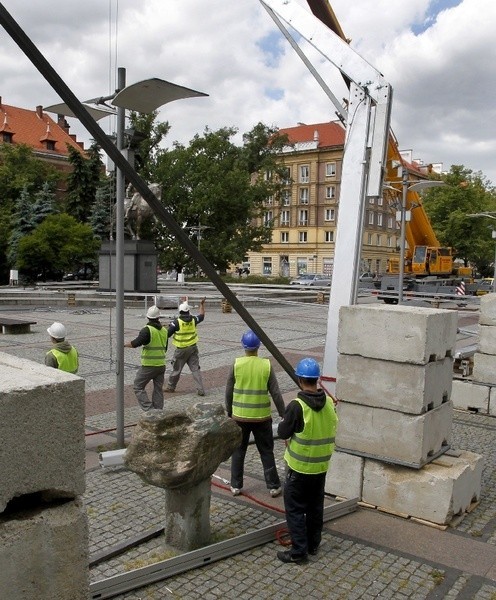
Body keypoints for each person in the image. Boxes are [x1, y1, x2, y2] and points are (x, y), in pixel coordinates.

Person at [276, 357, 338, 564]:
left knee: (294, 510)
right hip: (320, 468)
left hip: (299, 469)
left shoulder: (297, 406)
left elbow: (283, 431)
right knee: (314, 508)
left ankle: (298, 552)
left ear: (300, 379)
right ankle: (313, 545)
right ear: (316, 379)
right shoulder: (329, 403)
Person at [225, 330, 285, 498]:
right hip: (262, 418)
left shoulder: (236, 364)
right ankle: (273, 486)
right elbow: (276, 393)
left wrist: (229, 411)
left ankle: (236, 485)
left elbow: (228, 391)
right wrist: (283, 414)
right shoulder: (266, 365)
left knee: (238, 451)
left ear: (243, 346)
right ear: (258, 347)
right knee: (266, 451)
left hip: (239, 417)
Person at [124, 305, 170, 411]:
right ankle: (158, 411)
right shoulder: (164, 330)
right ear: (159, 317)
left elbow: (136, 343)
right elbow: (165, 347)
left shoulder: (147, 330)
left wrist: (124, 345)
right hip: (161, 365)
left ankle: (149, 410)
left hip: (149, 365)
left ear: (148, 317)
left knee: (138, 386)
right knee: (158, 389)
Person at [165, 298, 206, 396]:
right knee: (195, 369)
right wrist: (201, 304)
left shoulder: (176, 323)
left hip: (181, 350)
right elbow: (202, 316)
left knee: (177, 369)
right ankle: (200, 389)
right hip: (193, 348)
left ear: (180, 311)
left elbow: (167, 334)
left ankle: (171, 387)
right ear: (188, 311)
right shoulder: (193, 320)